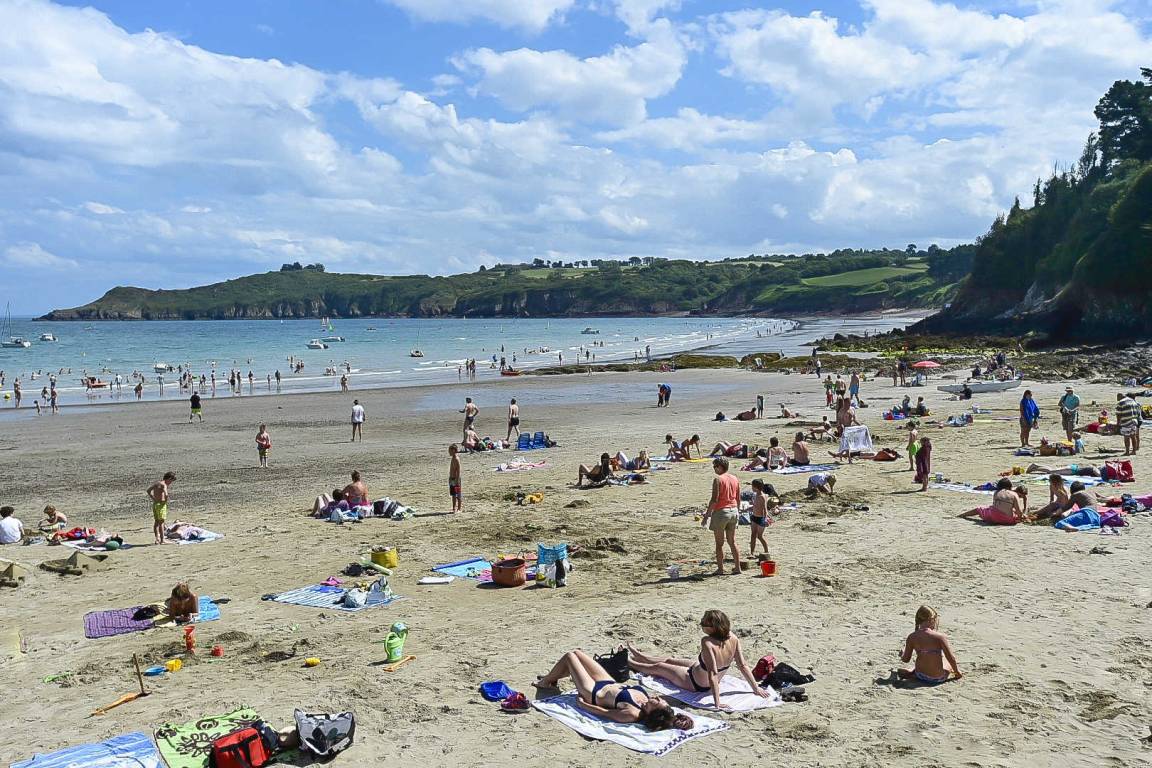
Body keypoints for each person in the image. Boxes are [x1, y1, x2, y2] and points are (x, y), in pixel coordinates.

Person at [626, 610, 769, 711]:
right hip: (699, 669)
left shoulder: (707, 642)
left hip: (696, 682)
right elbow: (743, 666)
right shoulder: (733, 637)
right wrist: (755, 688)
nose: (701, 625)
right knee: (670, 659)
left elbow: (712, 673)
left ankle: (630, 662)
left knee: (659, 666)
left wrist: (717, 703)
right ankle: (641, 656)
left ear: (712, 628)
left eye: (703, 623)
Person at [532, 650, 692, 731]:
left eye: (657, 701)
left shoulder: (633, 713)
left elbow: (605, 713)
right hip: (608, 682)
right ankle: (553, 677)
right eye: (659, 698)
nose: (656, 697)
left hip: (593, 692)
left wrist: (583, 705)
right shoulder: (646, 701)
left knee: (570, 656)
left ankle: (546, 682)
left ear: (653, 712)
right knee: (577, 653)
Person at [897, 606, 961, 685]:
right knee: (945, 660)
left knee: (923, 656)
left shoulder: (912, 637)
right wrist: (957, 672)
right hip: (938, 677)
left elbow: (906, 659)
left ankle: (912, 670)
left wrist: (902, 655)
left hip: (920, 674)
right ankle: (913, 671)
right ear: (931, 619)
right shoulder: (939, 637)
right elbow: (951, 658)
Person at [701, 457, 741, 576]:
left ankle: (720, 569)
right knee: (732, 542)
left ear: (720, 467)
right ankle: (737, 567)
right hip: (734, 510)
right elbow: (738, 498)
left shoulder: (718, 479)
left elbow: (714, 499)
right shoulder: (735, 478)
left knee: (719, 544)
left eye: (715, 466)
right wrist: (737, 511)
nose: (714, 469)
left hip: (721, 512)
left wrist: (707, 516)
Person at [958, 478, 1027, 524]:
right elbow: (1019, 512)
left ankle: (962, 515)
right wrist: (1020, 517)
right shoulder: (1014, 494)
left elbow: (996, 506)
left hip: (993, 517)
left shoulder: (996, 492)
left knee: (979, 509)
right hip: (1008, 520)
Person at [748, 479, 776, 556]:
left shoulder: (762, 496)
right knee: (753, 535)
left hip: (761, 518)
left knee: (759, 536)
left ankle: (766, 551)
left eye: (752, 487)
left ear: (756, 487)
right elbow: (756, 506)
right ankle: (752, 552)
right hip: (754, 517)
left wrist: (765, 518)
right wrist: (748, 508)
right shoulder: (756, 495)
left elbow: (764, 508)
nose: (752, 488)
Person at [147, 472, 175, 545]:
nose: (171, 483)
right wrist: (165, 500)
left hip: (155, 504)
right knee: (161, 522)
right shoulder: (164, 485)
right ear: (169, 478)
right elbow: (166, 494)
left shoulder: (157, 483)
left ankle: (157, 539)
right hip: (161, 505)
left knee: (156, 522)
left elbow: (148, 490)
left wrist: (153, 498)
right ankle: (162, 540)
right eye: (171, 481)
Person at [1116, 391, 1142, 455]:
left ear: (1120, 397)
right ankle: (1134, 451)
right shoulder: (1133, 401)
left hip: (1126, 422)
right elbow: (1137, 412)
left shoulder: (1121, 403)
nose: (1117, 399)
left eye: (1117, 397)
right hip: (1134, 421)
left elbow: (1118, 414)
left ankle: (1127, 452)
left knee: (1126, 437)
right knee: (1133, 436)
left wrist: (1118, 424)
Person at [448, 444, 462, 513]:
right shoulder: (453, 458)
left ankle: (459, 508)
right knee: (453, 494)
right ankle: (454, 508)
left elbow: (458, 470)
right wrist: (450, 478)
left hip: (456, 479)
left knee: (458, 494)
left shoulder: (456, 459)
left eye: (450, 451)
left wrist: (457, 480)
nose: (449, 452)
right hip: (452, 478)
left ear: (453, 450)